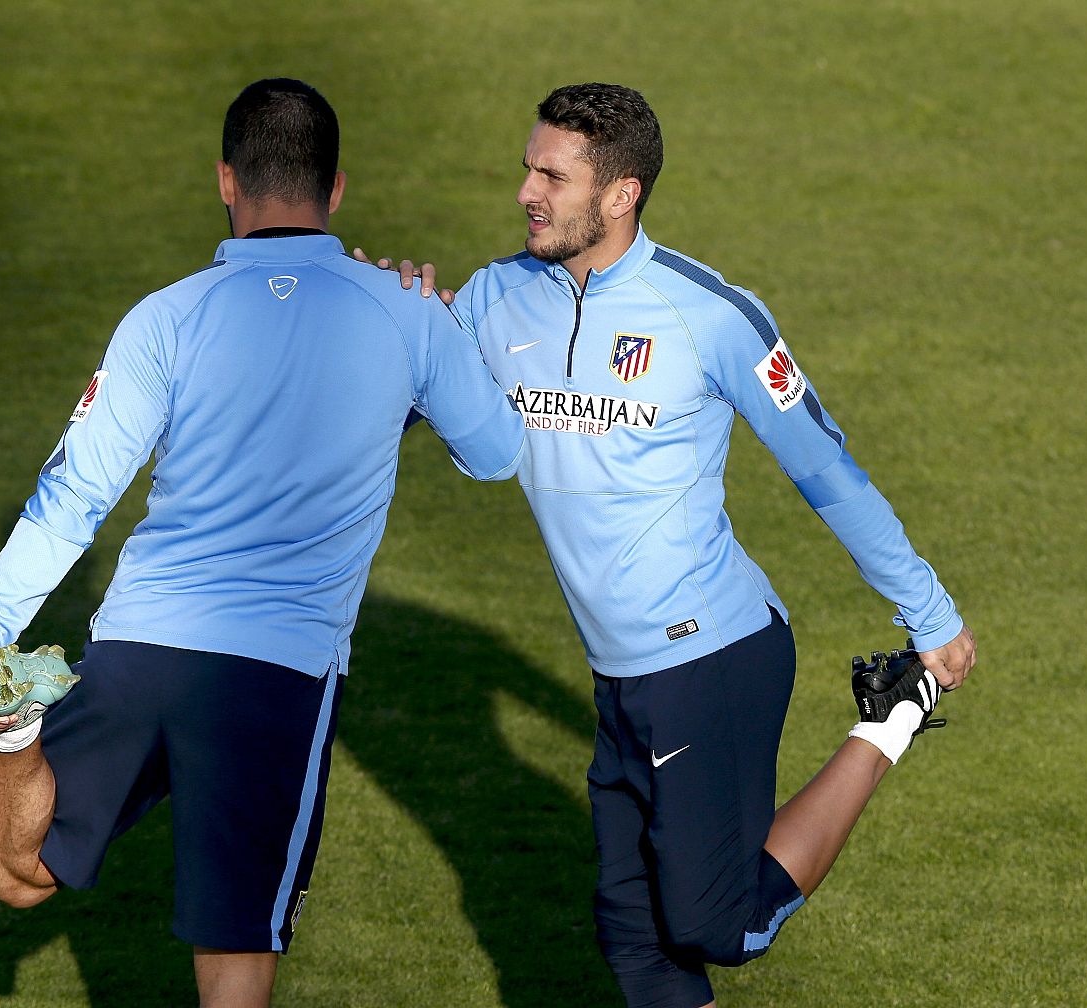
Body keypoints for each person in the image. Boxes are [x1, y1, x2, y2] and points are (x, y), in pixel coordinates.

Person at [376, 82, 978, 1008]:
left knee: (713, 925)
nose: (527, 193)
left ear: (621, 195)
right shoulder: (497, 297)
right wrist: (395, 334)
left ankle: (893, 711)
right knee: (640, 950)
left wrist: (930, 614)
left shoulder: (709, 315)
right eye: (527, 168)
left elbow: (825, 468)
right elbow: (418, 418)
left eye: (553, 176)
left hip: (715, 656)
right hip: (618, 675)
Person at [0, 78, 524, 1008]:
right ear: (335, 189)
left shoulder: (163, 316)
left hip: (138, 650)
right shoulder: (407, 314)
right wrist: (433, 350)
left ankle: (12, 730)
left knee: (9, 869)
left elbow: (71, 498)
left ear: (226, 180)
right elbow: (497, 455)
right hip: (274, 680)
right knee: (234, 978)